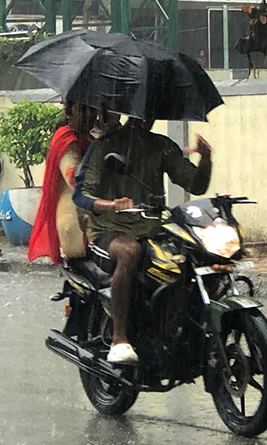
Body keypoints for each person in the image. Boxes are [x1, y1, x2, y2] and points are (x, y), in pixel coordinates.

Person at [73, 115, 212, 365]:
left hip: (151, 228)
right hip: (109, 230)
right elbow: (81, 195)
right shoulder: (103, 146)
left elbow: (196, 184)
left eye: (150, 111)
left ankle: (181, 330)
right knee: (130, 252)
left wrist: (206, 159)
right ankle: (119, 339)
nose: (145, 117)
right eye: (141, 111)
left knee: (189, 253)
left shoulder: (162, 146)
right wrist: (111, 205)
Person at [27, 102, 92, 265]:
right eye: (83, 109)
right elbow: (74, 179)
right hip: (75, 221)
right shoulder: (68, 140)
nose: (90, 114)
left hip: (87, 217)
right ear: (70, 112)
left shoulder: (84, 138)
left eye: (93, 109)